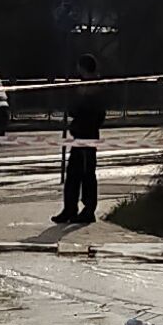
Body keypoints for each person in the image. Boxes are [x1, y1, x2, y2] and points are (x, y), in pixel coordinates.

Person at [55, 55, 107, 225]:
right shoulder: (81, 87)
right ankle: (69, 208)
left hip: (88, 136)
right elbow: (73, 109)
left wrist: (80, 111)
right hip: (79, 135)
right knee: (73, 174)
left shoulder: (95, 89)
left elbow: (96, 114)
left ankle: (88, 209)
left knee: (87, 174)